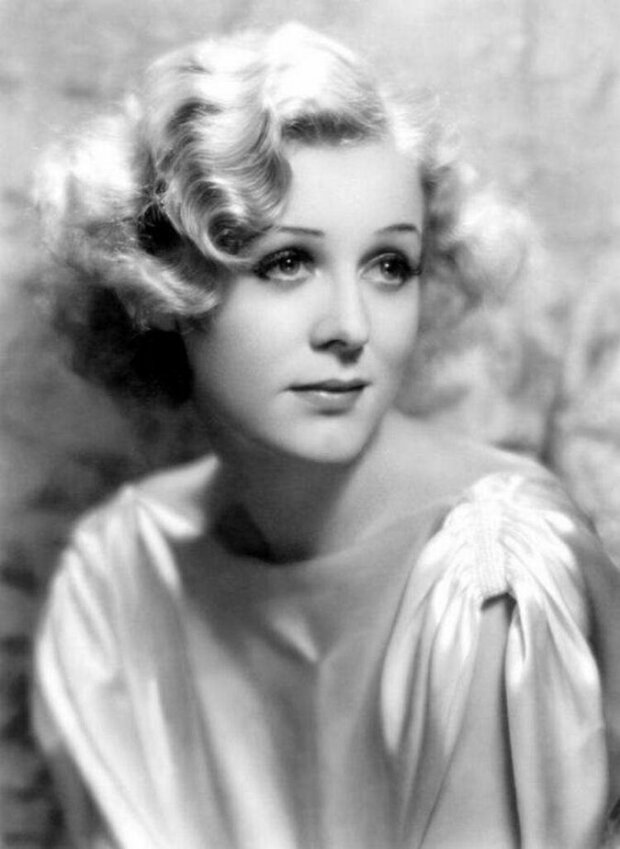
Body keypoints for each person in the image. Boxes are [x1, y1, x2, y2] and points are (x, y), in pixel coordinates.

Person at [31, 22, 620, 849]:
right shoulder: (121, 574)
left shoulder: (495, 575)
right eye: (287, 263)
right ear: (165, 284)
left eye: (390, 266)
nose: (350, 326)